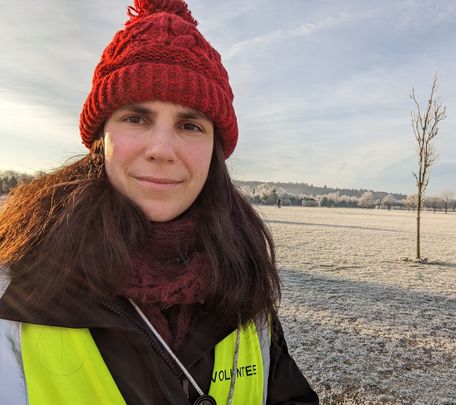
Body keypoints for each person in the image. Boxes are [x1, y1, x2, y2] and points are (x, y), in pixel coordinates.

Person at [0, 1, 319, 404]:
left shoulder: (243, 278)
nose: (162, 149)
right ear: (101, 139)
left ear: (214, 152)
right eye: (136, 118)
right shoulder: (14, 287)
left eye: (189, 125)